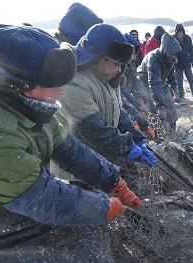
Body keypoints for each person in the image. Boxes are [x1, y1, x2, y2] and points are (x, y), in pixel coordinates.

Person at [0, 24, 141, 263]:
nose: (63, 87)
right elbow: (45, 199)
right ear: (15, 83)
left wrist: (114, 181)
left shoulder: (33, 106)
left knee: (89, 215)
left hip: (16, 196)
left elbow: (68, 148)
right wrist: (103, 207)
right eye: (54, 80)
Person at [58, 24, 156, 172]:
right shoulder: (73, 82)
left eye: (121, 65)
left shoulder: (107, 77)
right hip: (79, 169)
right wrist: (128, 147)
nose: (119, 69)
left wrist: (138, 139)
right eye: (116, 63)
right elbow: (94, 128)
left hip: (102, 158)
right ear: (96, 57)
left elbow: (119, 112)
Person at [122, 34, 155, 140]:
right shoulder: (119, 67)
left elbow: (136, 81)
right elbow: (122, 91)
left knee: (144, 112)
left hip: (129, 98)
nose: (134, 56)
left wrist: (140, 98)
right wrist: (137, 106)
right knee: (133, 122)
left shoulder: (131, 64)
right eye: (132, 53)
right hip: (123, 101)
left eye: (135, 53)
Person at [148, 33, 182, 132]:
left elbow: (170, 74)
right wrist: (160, 105)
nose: (174, 56)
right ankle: (157, 135)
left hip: (161, 81)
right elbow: (153, 83)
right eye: (172, 54)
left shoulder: (171, 58)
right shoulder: (154, 59)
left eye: (175, 54)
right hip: (146, 81)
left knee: (170, 105)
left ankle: (172, 131)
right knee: (155, 110)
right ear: (165, 51)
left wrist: (175, 87)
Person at [174, 24, 193, 100]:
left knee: (191, 79)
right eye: (179, 32)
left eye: (181, 32)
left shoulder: (187, 38)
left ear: (183, 32)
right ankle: (181, 96)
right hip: (177, 64)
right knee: (179, 82)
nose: (180, 34)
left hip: (186, 63)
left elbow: (191, 50)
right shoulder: (173, 39)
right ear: (176, 32)